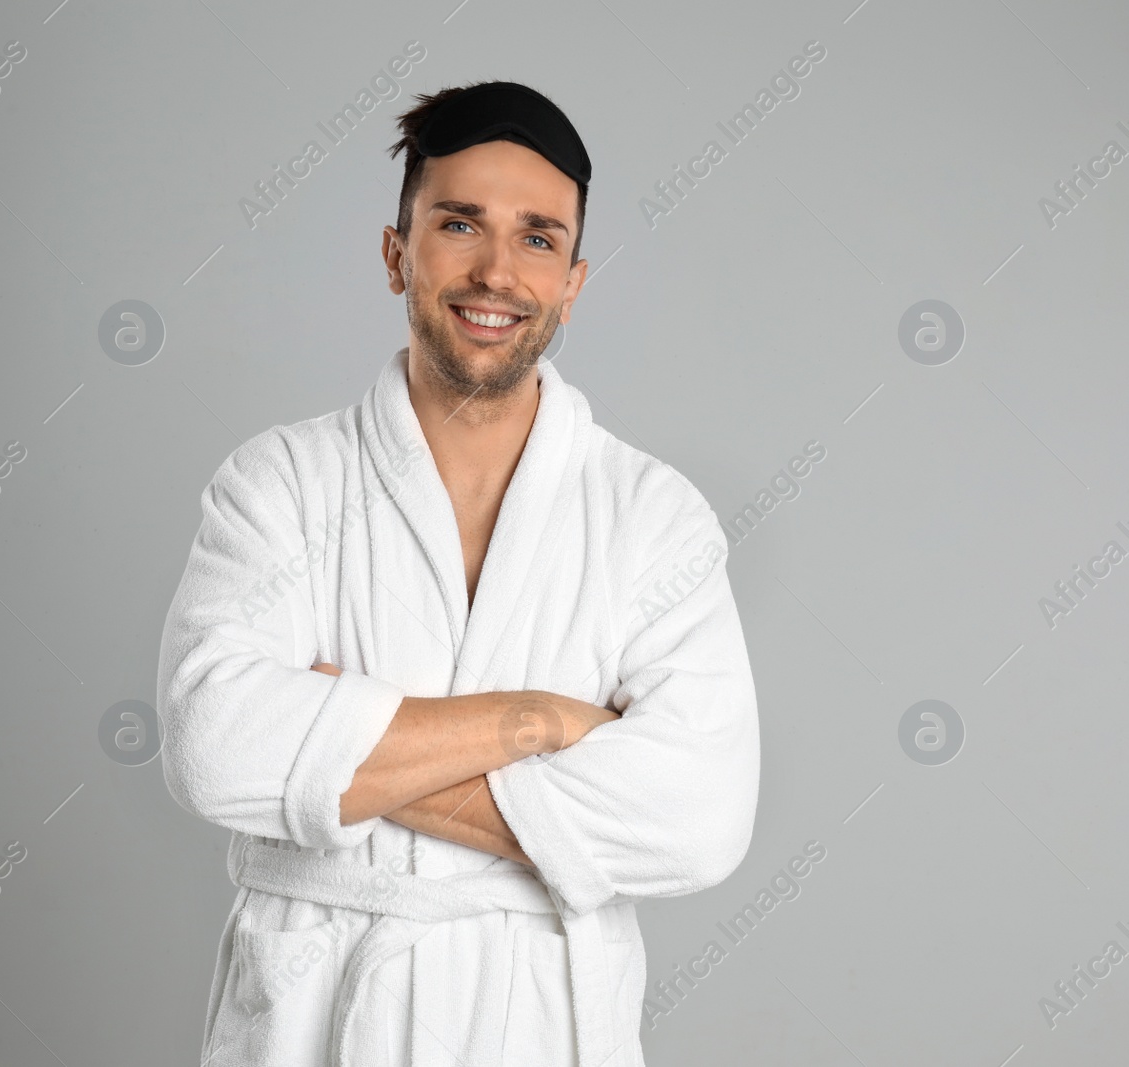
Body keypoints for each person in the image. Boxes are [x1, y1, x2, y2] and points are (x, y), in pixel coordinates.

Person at [155, 80, 760, 1067]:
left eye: (536, 238)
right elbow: (212, 744)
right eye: (458, 223)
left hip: (536, 1019)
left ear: (573, 280)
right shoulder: (281, 482)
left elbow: (699, 819)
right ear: (396, 254)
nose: (495, 272)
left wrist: (333, 738)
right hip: (313, 1016)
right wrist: (540, 720)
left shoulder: (654, 517)